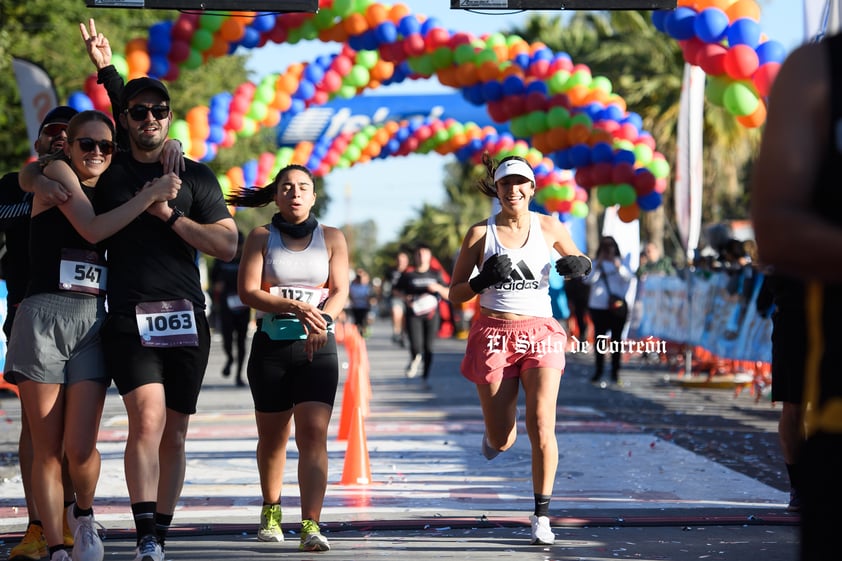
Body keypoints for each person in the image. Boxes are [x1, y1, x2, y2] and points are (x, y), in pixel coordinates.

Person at [8, 110, 180, 561]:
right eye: (88, 144)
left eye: (106, 146)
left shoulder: (113, 181)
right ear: (69, 146)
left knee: (80, 448)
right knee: (47, 449)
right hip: (43, 314)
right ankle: (57, 547)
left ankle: (82, 513)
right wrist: (150, 197)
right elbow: (92, 228)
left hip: (90, 321)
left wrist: (171, 148)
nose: (98, 153)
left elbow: (144, 128)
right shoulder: (58, 170)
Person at [448, 154, 590, 546]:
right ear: (497, 190)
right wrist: (481, 283)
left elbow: (580, 259)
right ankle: (493, 437)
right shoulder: (480, 234)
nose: (513, 190)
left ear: (532, 189)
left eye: (520, 183)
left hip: (540, 332)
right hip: (494, 333)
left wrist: (580, 266)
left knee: (542, 422)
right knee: (504, 438)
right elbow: (454, 292)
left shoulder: (549, 226)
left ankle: (541, 515)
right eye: (505, 183)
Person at [749, 31, 842, 560]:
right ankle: (797, 485)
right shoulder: (817, 70)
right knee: (792, 411)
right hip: (821, 362)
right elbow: (776, 234)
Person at [226, 164, 349, 552]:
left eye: (303, 188)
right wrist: (295, 307)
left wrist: (322, 320)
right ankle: (272, 510)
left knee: (313, 435)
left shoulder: (332, 237)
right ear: (277, 195)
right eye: (287, 187)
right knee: (274, 437)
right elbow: (247, 291)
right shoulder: (262, 236)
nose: (295, 193)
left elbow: (340, 289)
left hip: (318, 345)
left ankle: (311, 523)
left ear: (314, 196)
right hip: (272, 347)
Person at [0, 106, 79, 561]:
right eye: (53, 133)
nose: (62, 141)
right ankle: (38, 525)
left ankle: (71, 515)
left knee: (75, 431)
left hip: (86, 316)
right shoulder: (14, 185)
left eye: (73, 136)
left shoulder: (94, 182)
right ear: (38, 142)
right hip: (28, 314)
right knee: (38, 426)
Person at [396, 243, 450, 381]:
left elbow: (448, 293)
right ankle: (414, 358)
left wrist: (437, 287)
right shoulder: (408, 275)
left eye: (424, 253)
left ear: (430, 256)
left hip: (432, 315)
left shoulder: (435, 274)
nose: (421, 257)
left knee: (428, 346)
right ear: (415, 256)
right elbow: (395, 290)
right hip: (413, 314)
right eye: (418, 254)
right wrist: (405, 298)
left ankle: (425, 374)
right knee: (415, 344)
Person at [586, 236, 632, 387]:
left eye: (610, 246)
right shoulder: (595, 263)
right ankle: (599, 371)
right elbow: (587, 280)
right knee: (599, 339)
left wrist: (617, 264)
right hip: (598, 307)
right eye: (605, 246)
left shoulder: (621, 262)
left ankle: (615, 372)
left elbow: (628, 278)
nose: (607, 249)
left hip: (617, 308)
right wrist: (598, 263)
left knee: (616, 341)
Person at [210, 231, 250, 386]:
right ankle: (229, 358)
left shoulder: (247, 259)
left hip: (243, 305)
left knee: (241, 341)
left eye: (240, 245)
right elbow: (214, 280)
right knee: (227, 338)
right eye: (236, 244)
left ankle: (239, 375)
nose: (238, 249)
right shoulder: (221, 260)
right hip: (226, 305)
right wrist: (217, 286)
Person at [385, 249, 410, 346]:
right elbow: (385, 283)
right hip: (396, 297)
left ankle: (403, 335)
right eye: (399, 260)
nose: (401, 262)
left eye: (404, 260)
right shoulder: (391, 271)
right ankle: (396, 332)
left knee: (405, 319)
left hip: (409, 299)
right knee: (396, 311)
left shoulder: (410, 271)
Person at [348, 268, 375, 337]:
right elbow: (350, 295)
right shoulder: (353, 286)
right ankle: (357, 335)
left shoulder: (368, 286)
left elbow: (371, 297)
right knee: (357, 322)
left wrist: (370, 301)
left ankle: (363, 333)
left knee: (364, 321)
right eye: (358, 277)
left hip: (365, 307)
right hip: (355, 307)